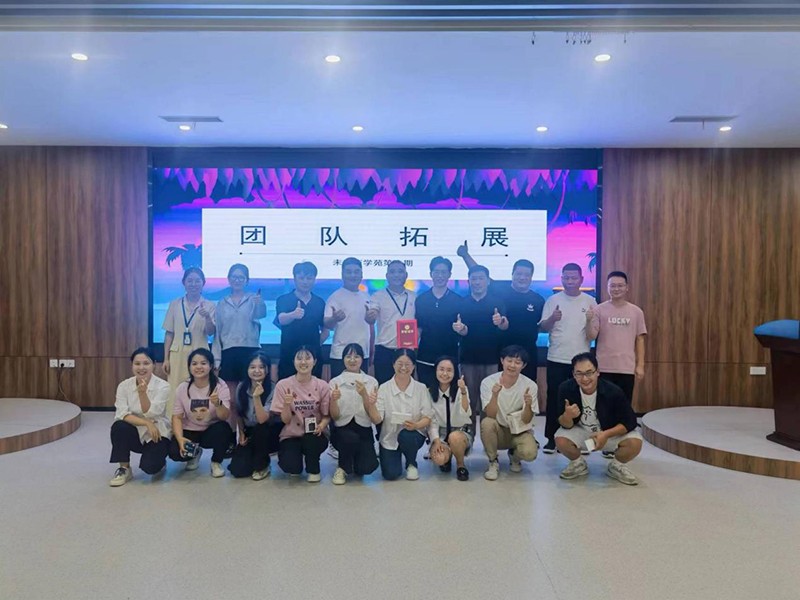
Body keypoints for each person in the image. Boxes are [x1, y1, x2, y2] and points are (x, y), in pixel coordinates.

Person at [457, 242, 546, 381]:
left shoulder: (538, 300)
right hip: (502, 353)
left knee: (527, 389)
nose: (522, 278)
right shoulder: (501, 290)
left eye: (526, 275)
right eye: (518, 274)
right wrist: (465, 255)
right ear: (512, 274)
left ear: (531, 277)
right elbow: (479, 275)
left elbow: (541, 326)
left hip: (528, 353)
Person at [555, 353, 643, 485]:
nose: (585, 378)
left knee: (635, 442)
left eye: (589, 372)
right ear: (573, 374)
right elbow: (564, 424)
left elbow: (630, 421)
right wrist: (567, 416)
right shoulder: (565, 389)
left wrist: (606, 434)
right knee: (560, 440)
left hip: (608, 433)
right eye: (579, 373)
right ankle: (578, 463)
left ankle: (616, 466)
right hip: (583, 433)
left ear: (598, 372)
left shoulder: (613, 391)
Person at [539, 263, 597, 454]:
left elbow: (593, 333)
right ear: (562, 278)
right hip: (556, 357)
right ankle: (551, 438)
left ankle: (580, 439)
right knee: (554, 398)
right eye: (566, 277)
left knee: (581, 399)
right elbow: (543, 327)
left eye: (573, 278)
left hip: (581, 362)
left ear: (581, 279)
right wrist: (553, 318)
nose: (570, 281)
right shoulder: (553, 300)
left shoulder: (590, 301)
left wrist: (589, 319)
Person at [210, 263, 267, 428]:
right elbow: (218, 333)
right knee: (231, 399)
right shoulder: (222, 303)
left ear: (247, 280)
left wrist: (259, 303)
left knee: (249, 398)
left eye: (241, 277)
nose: (237, 280)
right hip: (229, 353)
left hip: (250, 352)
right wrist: (216, 359)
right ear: (229, 279)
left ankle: (247, 433)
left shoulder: (254, 299)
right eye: (234, 277)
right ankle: (232, 434)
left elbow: (261, 315)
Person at [364, 349, 433, 481]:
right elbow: (377, 420)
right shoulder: (384, 388)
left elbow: (427, 417)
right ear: (393, 364)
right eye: (400, 364)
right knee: (391, 474)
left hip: (413, 435)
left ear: (413, 366)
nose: (403, 368)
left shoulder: (421, 388)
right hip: (389, 437)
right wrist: (371, 405)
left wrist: (416, 425)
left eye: (408, 364)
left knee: (407, 435)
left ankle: (411, 464)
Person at [454, 264, 508, 428]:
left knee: (489, 401)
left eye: (481, 278)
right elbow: (462, 330)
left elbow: (505, 325)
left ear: (488, 281)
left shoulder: (497, 302)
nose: (477, 282)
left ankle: (488, 437)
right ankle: (467, 437)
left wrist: (500, 321)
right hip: (468, 359)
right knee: (468, 401)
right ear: (469, 281)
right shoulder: (462, 303)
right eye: (474, 279)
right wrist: (461, 329)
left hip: (491, 359)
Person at [109, 347, 172, 487]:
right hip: (136, 431)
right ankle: (124, 468)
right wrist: (146, 423)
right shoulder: (124, 386)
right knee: (119, 426)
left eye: (146, 363)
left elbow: (153, 413)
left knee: (150, 468)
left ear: (154, 365)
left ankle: (161, 462)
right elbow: (122, 414)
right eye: (137, 363)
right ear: (132, 365)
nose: (141, 367)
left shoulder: (163, 386)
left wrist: (142, 394)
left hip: (156, 433)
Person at [168, 348, 235, 478]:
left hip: (211, 430)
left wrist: (218, 404)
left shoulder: (220, 385)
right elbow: (177, 417)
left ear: (211, 366)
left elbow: (224, 416)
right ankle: (195, 453)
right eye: (194, 364)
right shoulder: (183, 387)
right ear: (189, 367)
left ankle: (216, 462)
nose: (199, 367)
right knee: (174, 452)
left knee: (224, 429)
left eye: (203, 363)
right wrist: (180, 439)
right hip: (190, 430)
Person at [270, 347, 331, 482]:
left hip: (315, 434)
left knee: (311, 440)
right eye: (299, 358)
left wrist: (321, 426)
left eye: (307, 358)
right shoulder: (283, 385)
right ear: (293, 361)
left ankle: (313, 469)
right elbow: (285, 420)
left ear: (315, 361)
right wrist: (287, 404)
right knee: (292, 467)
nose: (303, 362)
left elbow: (327, 415)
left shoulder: (322, 385)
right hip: (291, 434)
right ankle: (296, 458)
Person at [161, 267, 215, 415]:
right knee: (175, 388)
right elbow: (169, 333)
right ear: (184, 282)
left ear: (203, 283)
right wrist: (166, 358)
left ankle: (198, 421)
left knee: (199, 388)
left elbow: (211, 332)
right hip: (177, 354)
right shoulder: (174, 304)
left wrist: (207, 317)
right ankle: (173, 421)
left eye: (197, 281)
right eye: (190, 281)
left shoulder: (209, 305)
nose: (193, 284)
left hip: (200, 354)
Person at [479, 345, 538, 481]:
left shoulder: (530, 385)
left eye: (517, 362)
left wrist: (528, 405)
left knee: (530, 453)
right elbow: (490, 414)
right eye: (509, 360)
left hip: (519, 431)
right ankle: (493, 461)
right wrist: (495, 395)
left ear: (523, 365)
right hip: (498, 430)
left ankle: (515, 456)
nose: (512, 365)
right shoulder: (488, 382)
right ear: (502, 360)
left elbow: (527, 420)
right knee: (487, 423)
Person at [588, 271, 647, 406]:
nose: (616, 289)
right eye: (612, 286)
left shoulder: (636, 312)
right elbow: (591, 336)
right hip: (603, 367)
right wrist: (588, 321)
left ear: (627, 287)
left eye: (620, 286)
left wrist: (640, 366)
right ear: (607, 287)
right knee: (603, 406)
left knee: (624, 405)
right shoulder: (599, 310)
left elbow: (640, 340)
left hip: (626, 367)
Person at [328, 343, 380, 485]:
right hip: (342, 429)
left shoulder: (371, 382)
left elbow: (373, 416)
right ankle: (342, 468)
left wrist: (364, 395)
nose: (352, 360)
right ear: (343, 359)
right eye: (348, 356)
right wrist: (333, 400)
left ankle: (353, 461)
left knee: (367, 467)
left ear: (362, 359)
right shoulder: (334, 382)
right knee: (349, 439)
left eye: (356, 356)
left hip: (363, 428)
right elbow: (335, 417)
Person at [228, 351, 283, 481]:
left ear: (267, 370)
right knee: (238, 470)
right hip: (250, 430)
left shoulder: (274, 388)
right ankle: (254, 459)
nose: (257, 371)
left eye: (261, 367)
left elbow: (262, 419)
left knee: (261, 429)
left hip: (268, 431)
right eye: (252, 367)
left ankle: (263, 466)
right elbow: (239, 413)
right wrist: (241, 433)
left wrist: (256, 397)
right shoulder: (241, 387)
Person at [274, 261, 327, 380]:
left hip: (312, 358)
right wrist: (293, 315)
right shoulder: (283, 299)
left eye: (309, 278)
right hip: (289, 355)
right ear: (294, 278)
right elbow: (281, 319)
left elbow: (325, 330)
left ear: (314, 279)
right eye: (301, 278)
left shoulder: (319, 302)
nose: (305, 282)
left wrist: (315, 344)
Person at [415, 257, 463, 388]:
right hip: (425, 357)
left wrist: (461, 329)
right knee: (425, 393)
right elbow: (418, 328)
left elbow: (463, 329)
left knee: (448, 395)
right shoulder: (421, 299)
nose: (440, 276)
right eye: (436, 272)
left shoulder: (458, 300)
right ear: (431, 274)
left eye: (443, 272)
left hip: (449, 357)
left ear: (449, 274)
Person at [368, 260, 417, 384]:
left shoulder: (414, 297)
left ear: (406, 275)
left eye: (400, 272)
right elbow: (371, 317)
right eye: (392, 272)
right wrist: (370, 315)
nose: (396, 275)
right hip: (385, 351)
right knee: (383, 388)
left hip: (407, 350)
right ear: (387, 276)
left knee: (407, 387)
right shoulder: (377, 296)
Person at [324, 257, 372, 378]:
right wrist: (334, 318)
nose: (353, 275)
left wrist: (371, 350)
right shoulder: (335, 297)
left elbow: (370, 325)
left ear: (361, 274)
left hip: (362, 354)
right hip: (340, 355)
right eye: (349, 272)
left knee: (361, 388)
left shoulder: (366, 296)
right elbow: (327, 323)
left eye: (356, 272)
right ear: (342, 274)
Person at [427, 356, 472, 482]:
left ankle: (460, 465)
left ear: (455, 373)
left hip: (460, 431)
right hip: (440, 432)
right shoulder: (429, 392)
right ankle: (446, 458)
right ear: (436, 371)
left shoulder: (461, 389)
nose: (445, 374)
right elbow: (431, 421)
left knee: (455, 437)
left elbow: (466, 413)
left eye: (449, 370)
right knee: (440, 458)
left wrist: (463, 391)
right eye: (441, 369)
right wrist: (436, 440)